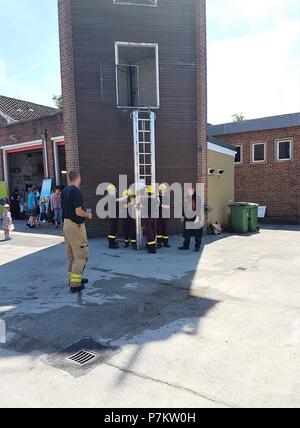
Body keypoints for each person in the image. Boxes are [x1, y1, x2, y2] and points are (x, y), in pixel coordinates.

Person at [62, 171, 92, 293]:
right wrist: (88, 215)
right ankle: (75, 285)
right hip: (76, 225)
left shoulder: (65, 191)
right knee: (81, 254)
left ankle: (73, 279)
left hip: (66, 224)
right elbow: (78, 212)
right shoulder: (76, 191)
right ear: (78, 178)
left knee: (71, 256)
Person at [179, 187, 203, 253]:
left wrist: (198, 218)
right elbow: (184, 207)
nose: (189, 192)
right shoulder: (186, 197)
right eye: (188, 191)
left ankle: (197, 247)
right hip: (187, 218)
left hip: (195, 217)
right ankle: (186, 246)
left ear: (193, 190)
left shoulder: (197, 198)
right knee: (186, 233)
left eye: (190, 190)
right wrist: (182, 216)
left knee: (197, 233)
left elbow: (199, 209)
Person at [144, 185, 159, 254]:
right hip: (154, 217)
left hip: (148, 217)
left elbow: (139, 206)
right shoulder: (155, 199)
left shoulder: (144, 200)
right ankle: (150, 245)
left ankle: (152, 249)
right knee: (153, 231)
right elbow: (158, 205)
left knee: (149, 232)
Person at [157, 183, 171, 249]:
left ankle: (165, 243)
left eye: (164, 189)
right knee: (159, 230)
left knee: (165, 230)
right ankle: (159, 243)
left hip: (165, 216)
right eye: (161, 190)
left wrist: (161, 205)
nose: (163, 191)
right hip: (159, 216)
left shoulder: (166, 197)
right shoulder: (157, 197)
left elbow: (168, 206)